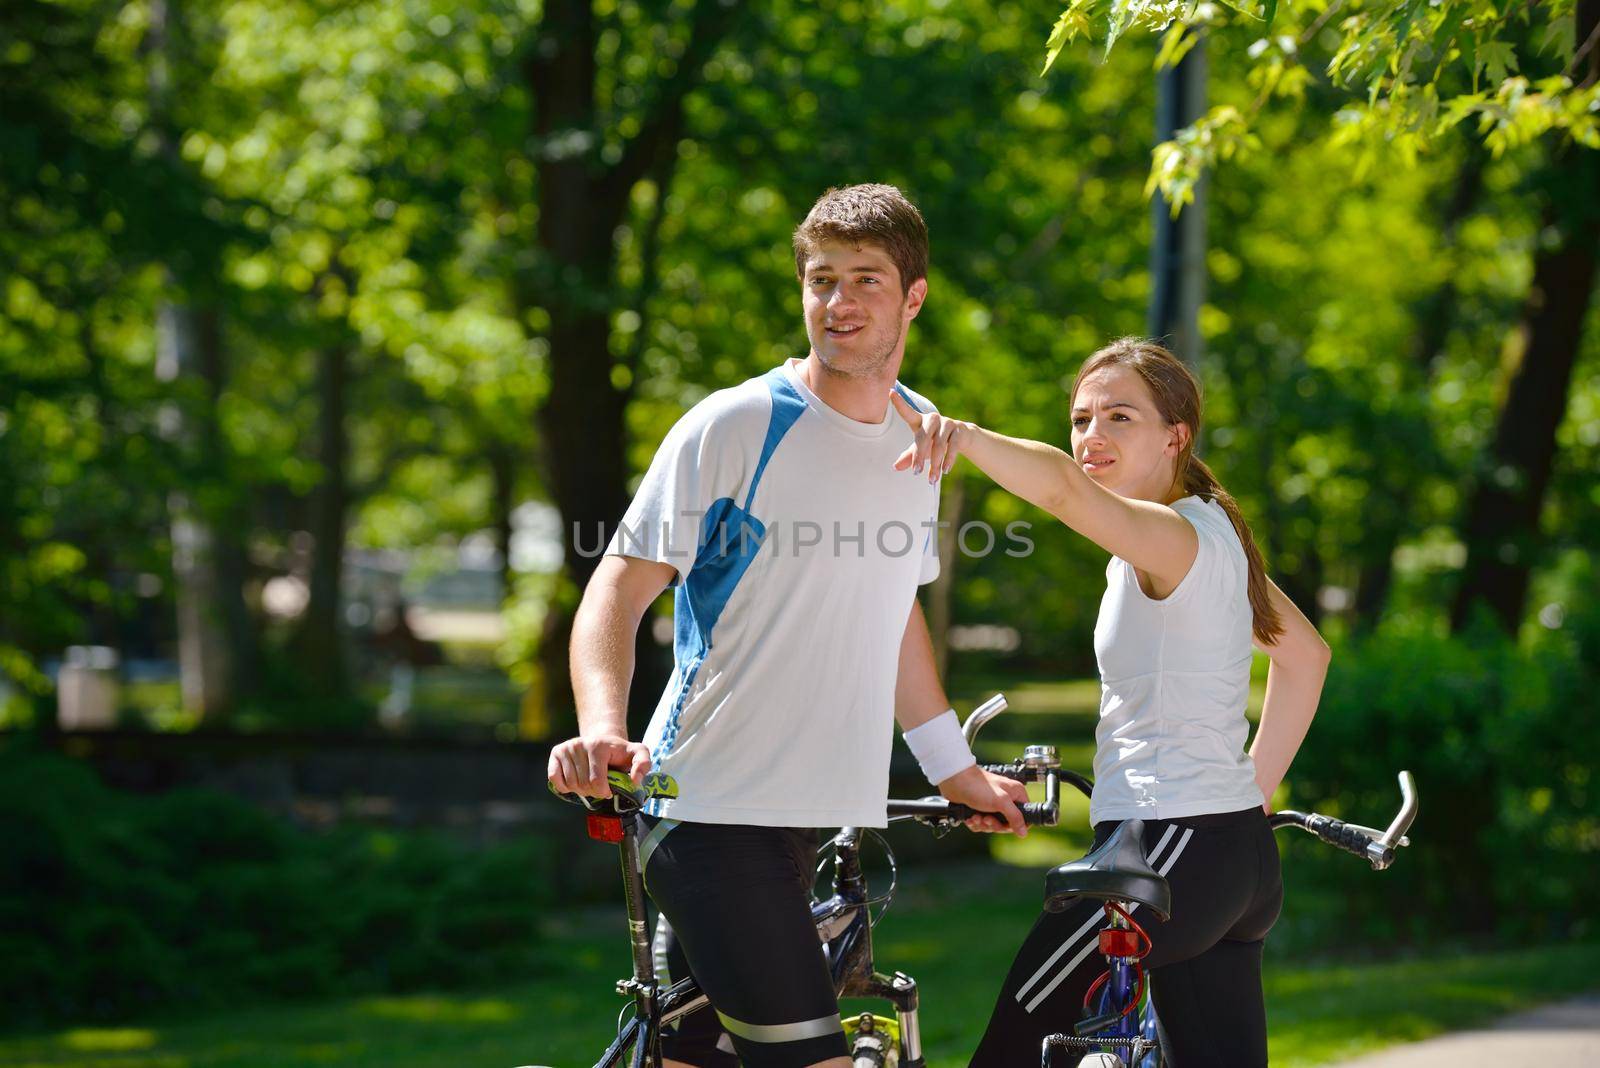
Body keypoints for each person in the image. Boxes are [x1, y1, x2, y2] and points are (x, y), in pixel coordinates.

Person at [546, 183, 1029, 1068]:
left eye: (865, 281)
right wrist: (602, 730)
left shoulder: (923, 435)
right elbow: (616, 589)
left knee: (687, 1060)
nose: (837, 303)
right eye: (820, 280)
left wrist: (954, 770)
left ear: (914, 295)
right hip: (707, 809)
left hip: (795, 821)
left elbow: (896, 617)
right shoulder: (739, 424)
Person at [890, 338, 1331, 1068]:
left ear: (1174, 436)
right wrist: (1247, 798)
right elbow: (1306, 655)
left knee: (1009, 1052)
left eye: (1119, 418)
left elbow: (1063, 489)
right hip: (1228, 859)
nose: (1092, 436)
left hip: (1164, 850)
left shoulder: (1171, 535)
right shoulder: (1211, 536)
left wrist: (963, 437)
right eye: (1081, 418)